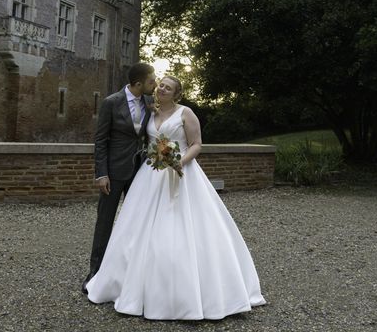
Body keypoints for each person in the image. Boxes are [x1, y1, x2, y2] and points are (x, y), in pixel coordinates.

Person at [85, 76, 266, 320]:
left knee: (184, 228)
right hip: (150, 175)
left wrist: (178, 162)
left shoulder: (186, 113)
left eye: (168, 88)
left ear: (176, 94)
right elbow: (146, 140)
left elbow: (196, 144)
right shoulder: (151, 111)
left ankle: (189, 294)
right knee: (135, 228)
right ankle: (125, 283)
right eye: (160, 85)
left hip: (182, 173)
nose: (162, 89)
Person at [82, 63, 157, 294]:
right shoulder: (111, 103)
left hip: (139, 171)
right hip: (113, 173)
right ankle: (95, 273)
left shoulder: (148, 103)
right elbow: (100, 140)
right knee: (105, 222)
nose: (155, 84)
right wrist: (101, 173)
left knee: (135, 222)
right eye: (151, 81)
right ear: (138, 83)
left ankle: (130, 273)